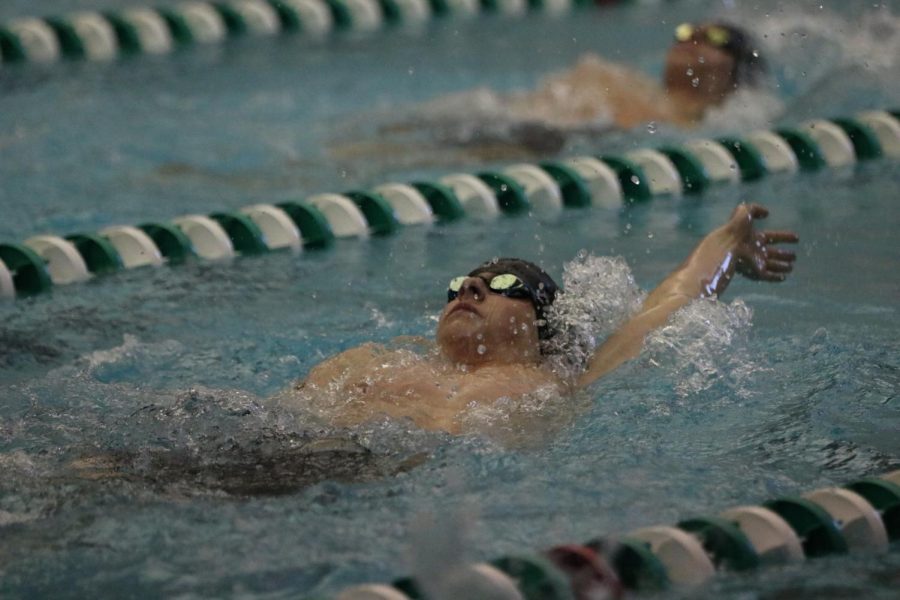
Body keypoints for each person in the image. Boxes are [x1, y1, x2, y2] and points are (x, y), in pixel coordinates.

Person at [294, 203, 797, 434]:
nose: (470, 287)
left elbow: (667, 306)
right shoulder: (364, 362)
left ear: (542, 325)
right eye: (462, 285)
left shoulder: (559, 381)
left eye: (505, 284)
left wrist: (724, 246)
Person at [330, 22, 769, 161]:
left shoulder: (706, 122)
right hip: (513, 116)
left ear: (735, 70)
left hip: (549, 138)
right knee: (390, 135)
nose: (690, 39)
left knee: (397, 153)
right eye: (685, 32)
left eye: (712, 39)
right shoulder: (628, 81)